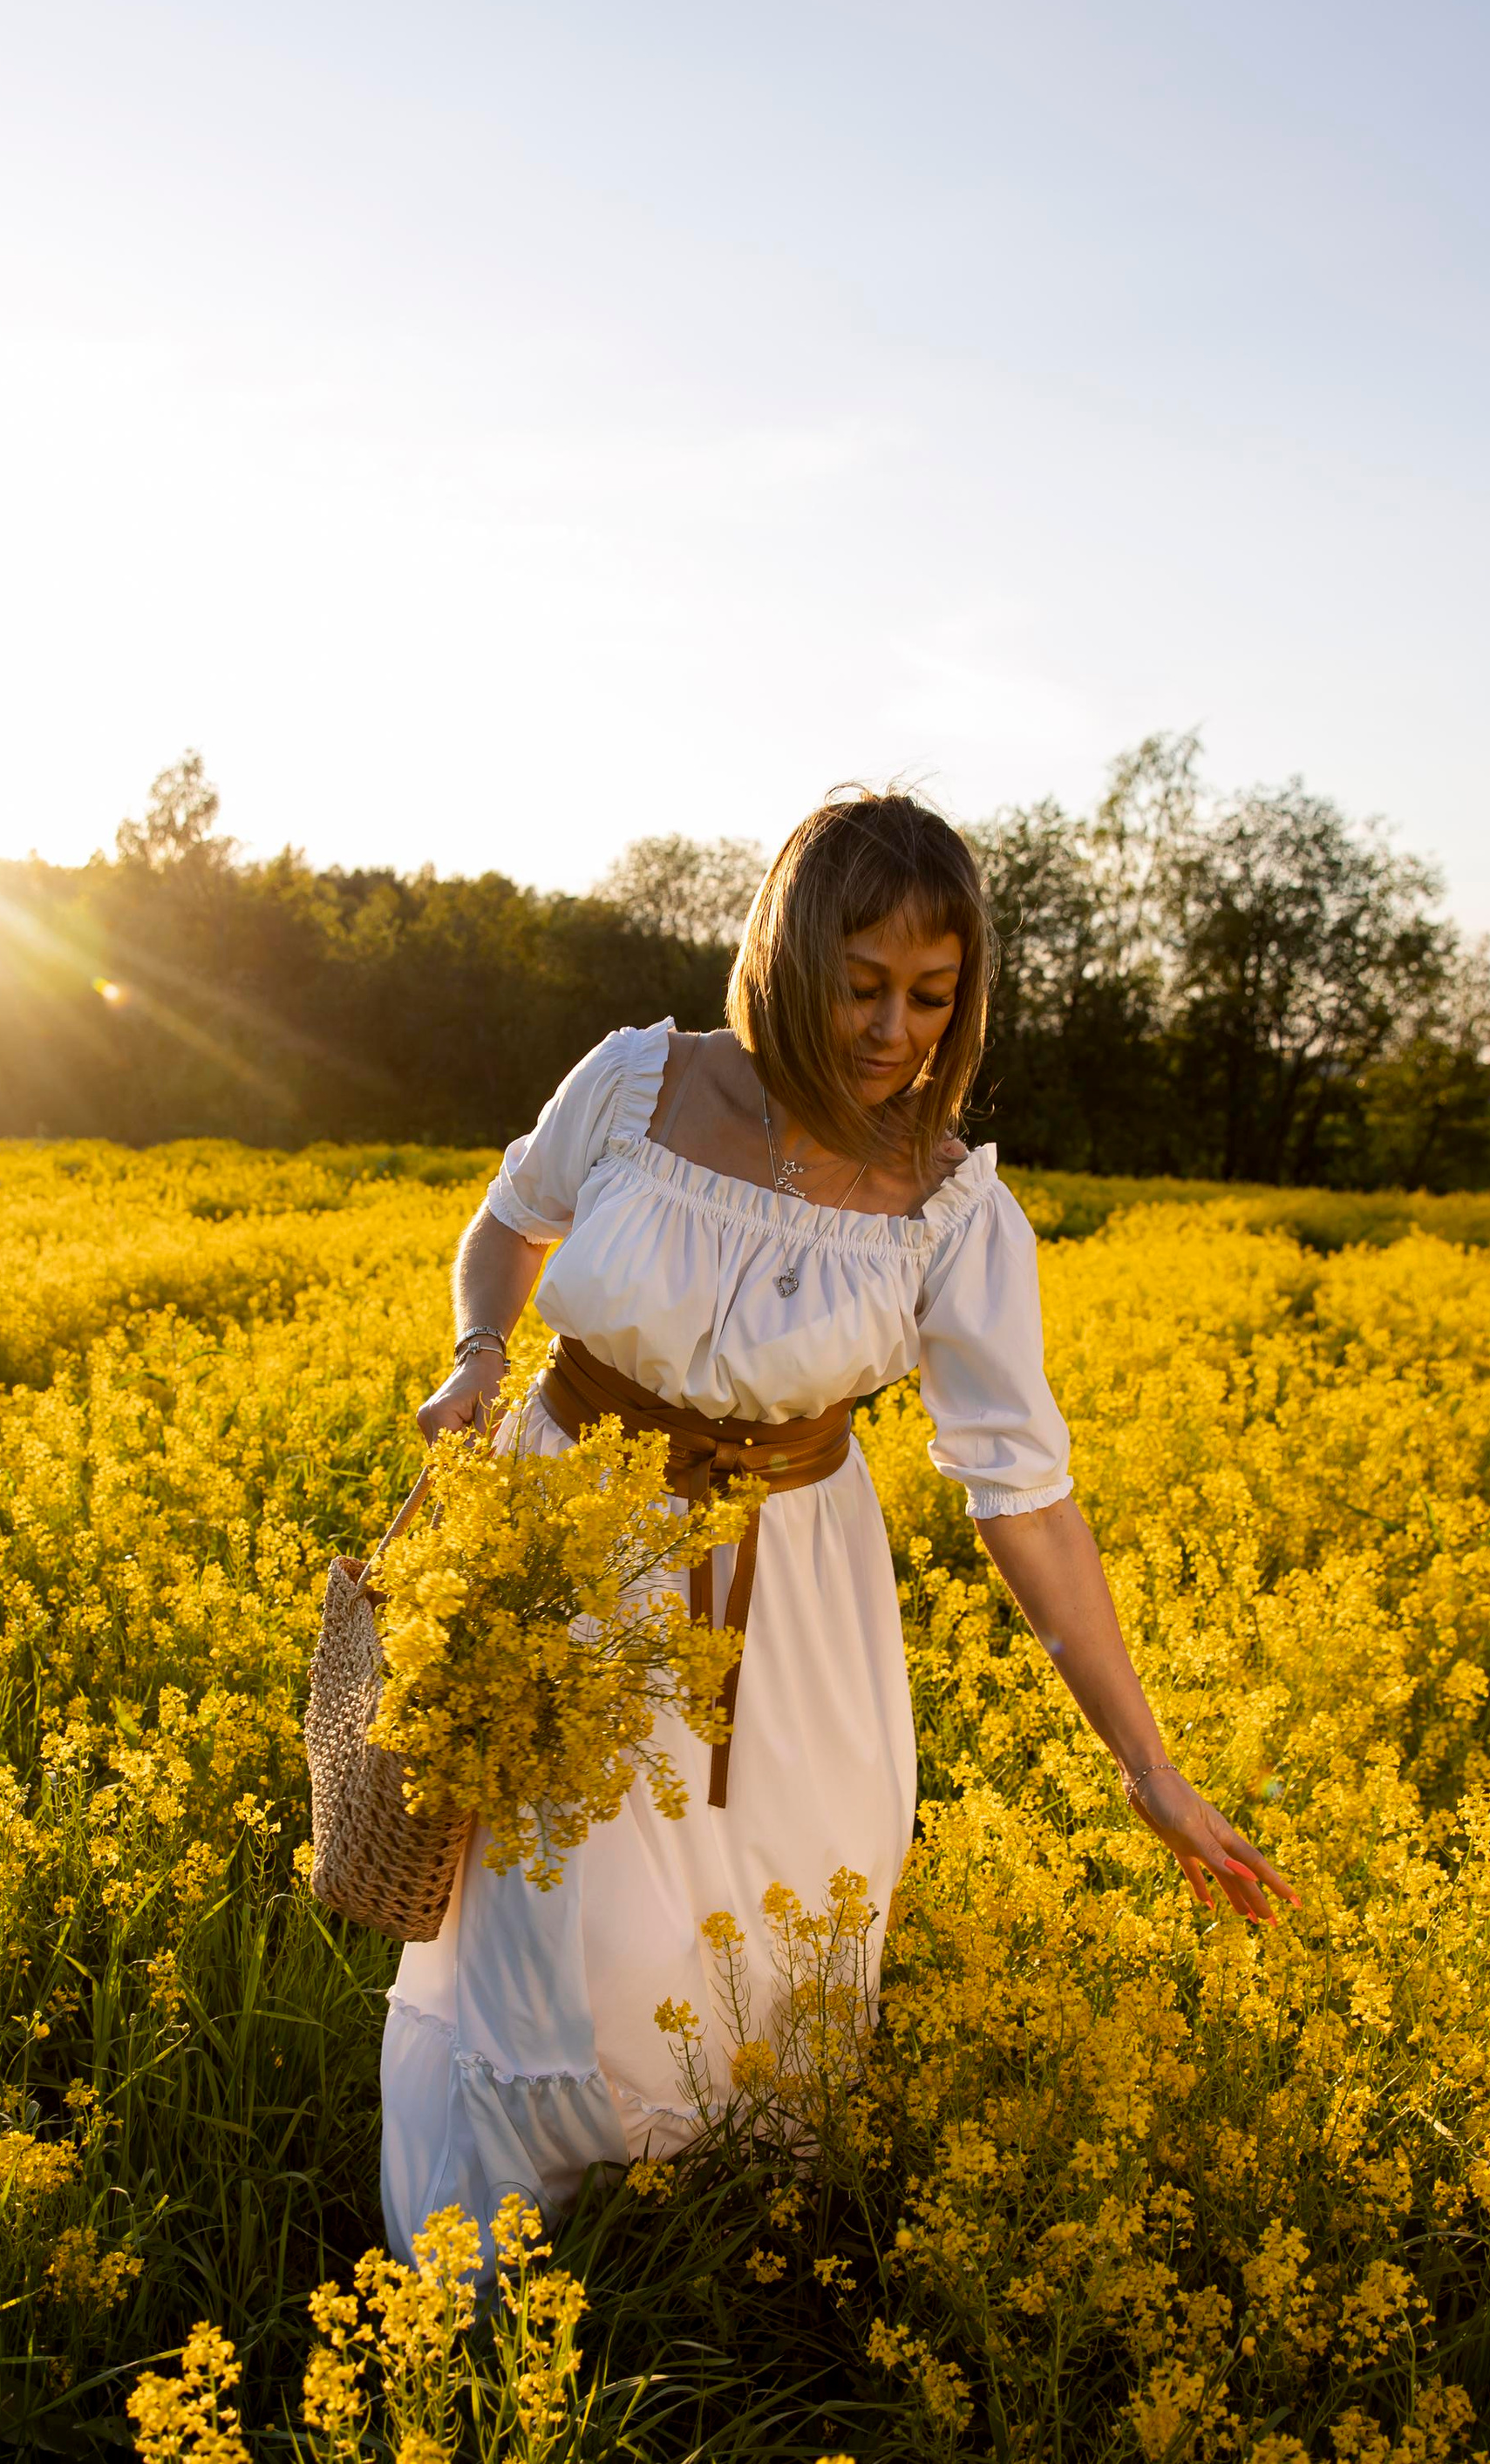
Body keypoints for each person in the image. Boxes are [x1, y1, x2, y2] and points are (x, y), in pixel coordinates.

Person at [378, 789, 1290, 2264]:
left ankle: (717, 2287)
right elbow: (510, 1221)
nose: (894, 1030)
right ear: (786, 953)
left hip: (788, 1613)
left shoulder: (950, 1208)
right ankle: (475, 2305)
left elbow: (1027, 1497)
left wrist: (1152, 1769)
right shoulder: (634, 1082)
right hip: (564, 1565)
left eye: (932, 997)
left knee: (764, 1946)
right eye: (863, 985)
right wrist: (481, 1353)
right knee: (547, 1944)